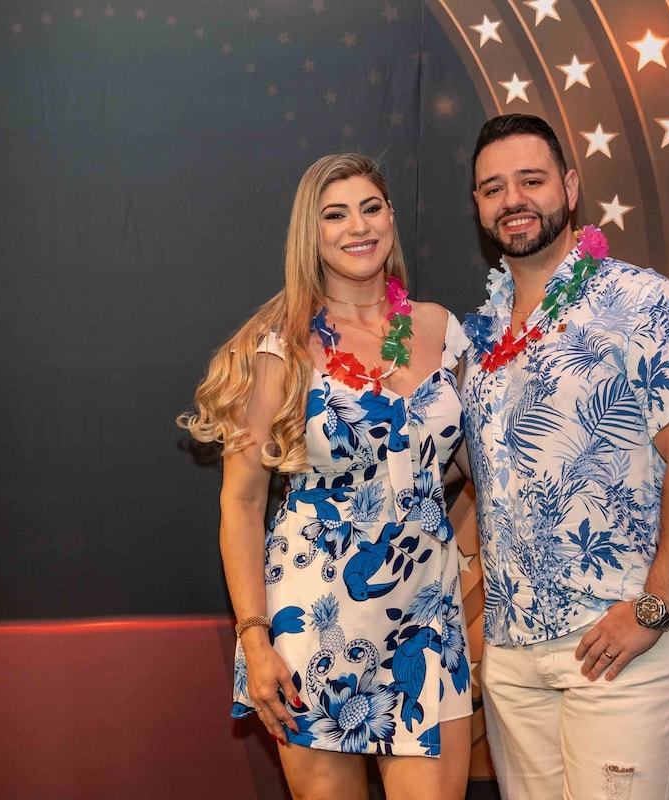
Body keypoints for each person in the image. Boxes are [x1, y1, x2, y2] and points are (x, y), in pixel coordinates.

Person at [456, 114, 669, 799]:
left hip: (623, 647)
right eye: (493, 188)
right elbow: (466, 465)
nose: (513, 199)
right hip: (514, 660)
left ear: (571, 187)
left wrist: (653, 608)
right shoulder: (476, 341)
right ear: (478, 207)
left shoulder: (643, 302)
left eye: (531, 180)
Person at [183, 153, 472, 800]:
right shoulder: (279, 345)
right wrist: (254, 638)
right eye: (335, 215)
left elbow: (465, 463)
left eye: (371, 208)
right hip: (316, 621)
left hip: (428, 620)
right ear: (309, 236)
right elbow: (241, 503)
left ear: (391, 217)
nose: (358, 227)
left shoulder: (441, 330)